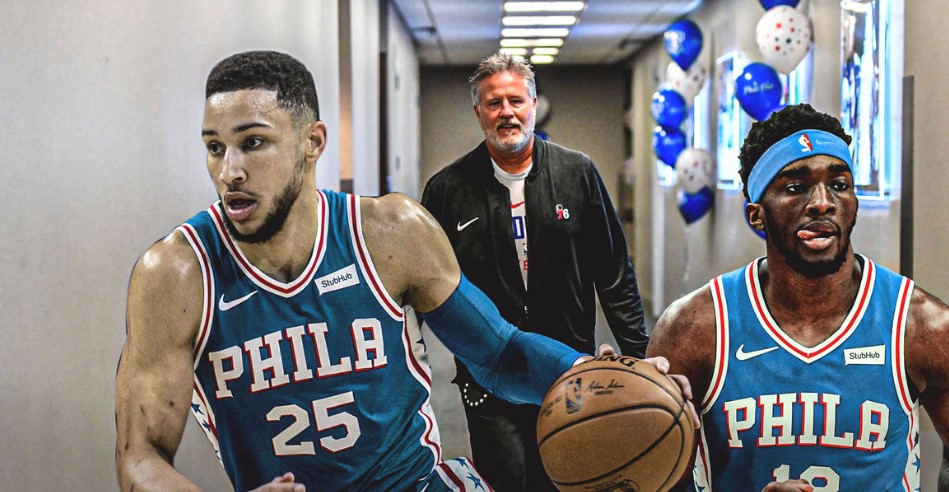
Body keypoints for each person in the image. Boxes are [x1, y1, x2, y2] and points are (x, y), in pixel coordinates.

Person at [113, 50, 689, 492]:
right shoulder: (176, 274)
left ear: (313, 143)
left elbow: (499, 354)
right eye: (215, 148)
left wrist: (604, 376)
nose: (229, 171)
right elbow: (140, 457)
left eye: (253, 143)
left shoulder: (390, 232)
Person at [646, 103, 949, 491]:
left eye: (839, 184)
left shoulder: (920, 324)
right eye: (795, 188)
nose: (823, 202)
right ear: (757, 215)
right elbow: (657, 480)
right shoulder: (695, 328)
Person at [421, 53, 648, 491]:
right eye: (493, 103)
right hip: (487, 377)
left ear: (533, 105)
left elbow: (614, 272)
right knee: (505, 482)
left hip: (567, 369)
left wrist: (640, 358)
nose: (506, 112)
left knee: (565, 480)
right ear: (478, 112)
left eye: (515, 101)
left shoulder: (577, 173)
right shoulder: (447, 190)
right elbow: (426, 287)